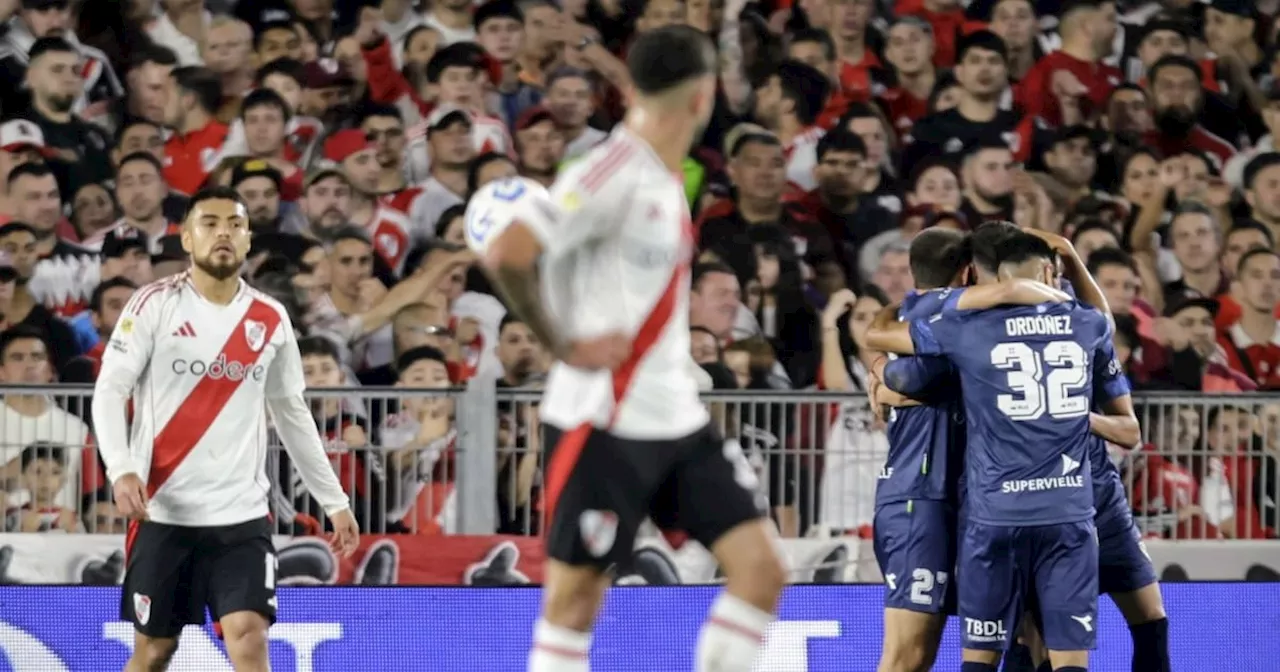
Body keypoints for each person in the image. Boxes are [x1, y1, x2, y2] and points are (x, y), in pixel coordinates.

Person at [469, 25, 786, 672]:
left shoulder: (660, 170)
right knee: (574, 604)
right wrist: (565, 344)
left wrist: (617, 69)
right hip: (603, 418)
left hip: (677, 414)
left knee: (762, 571)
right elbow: (508, 250)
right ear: (704, 95)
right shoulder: (609, 170)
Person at [90, 186, 360, 672]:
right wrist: (122, 468)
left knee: (248, 637)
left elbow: (293, 414)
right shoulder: (153, 305)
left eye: (234, 225)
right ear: (187, 239)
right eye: (209, 223)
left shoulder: (269, 317)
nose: (223, 233)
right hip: (164, 514)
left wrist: (335, 500)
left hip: (241, 518)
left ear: (248, 240)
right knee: (154, 651)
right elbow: (110, 391)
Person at [866, 233, 1107, 672]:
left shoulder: (954, 325)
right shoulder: (972, 325)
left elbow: (892, 361)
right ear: (969, 273)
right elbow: (913, 377)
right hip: (925, 499)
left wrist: (881, 371)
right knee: (910, 653)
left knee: (1015, 640)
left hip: (983, 505)